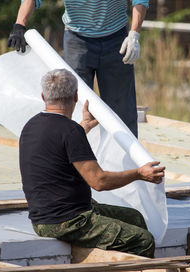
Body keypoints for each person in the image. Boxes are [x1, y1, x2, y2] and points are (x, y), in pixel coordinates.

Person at [19, 69, 165, 258]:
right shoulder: (70, 131)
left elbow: (58, 145)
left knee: (134, 217)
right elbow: (99, 181)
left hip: (44, 217)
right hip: (68, 222)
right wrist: (139, 173)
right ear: (76, 96)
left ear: (43, 97)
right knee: (143, 240)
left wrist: (83, 127)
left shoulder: (31, 125)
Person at [8, 0, 149, 137]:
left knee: (121, 109)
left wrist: (134, 34)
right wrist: (20, 24)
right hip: (77, 39)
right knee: (74, 107)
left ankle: (127, 159)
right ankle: (75, 157)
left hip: (117, 38)